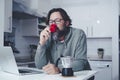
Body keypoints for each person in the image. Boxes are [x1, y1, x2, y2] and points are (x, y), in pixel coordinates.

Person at [35, 8, 93, 79]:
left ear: (66, 23)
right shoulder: (48, 37)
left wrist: (58, 69)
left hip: (81, 76)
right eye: (51, 21)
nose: (53, 24)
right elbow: (40, 65)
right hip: (61, 77)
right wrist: (42, 44)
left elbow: (81, 63)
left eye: (57, 21)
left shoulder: (79, 34)